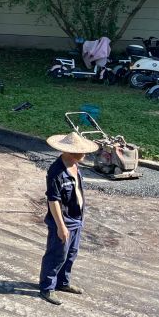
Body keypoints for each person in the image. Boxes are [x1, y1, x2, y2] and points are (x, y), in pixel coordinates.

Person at [38, 131, 99, 305]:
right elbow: (53, 201)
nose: (84, 154)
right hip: (63, 222)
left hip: (76, 218)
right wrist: (61, 226)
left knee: (71, 253)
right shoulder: (56, 172)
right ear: (69, 151)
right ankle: (47, 287)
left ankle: (62, 282)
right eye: (80, 151)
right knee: (57, 254)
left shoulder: (75, 166)